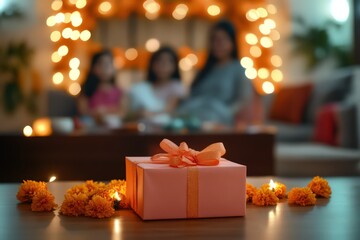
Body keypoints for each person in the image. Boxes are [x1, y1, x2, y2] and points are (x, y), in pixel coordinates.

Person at [177, 20, 252, 126]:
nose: (218, 44)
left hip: (218, 121)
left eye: (223, 40)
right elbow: (191, 96)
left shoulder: (237, 69)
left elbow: (243, 100)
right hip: (192, 119)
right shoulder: (205, 69)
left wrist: (225, 113)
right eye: (214, 40)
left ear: (232, 43)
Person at [128, 46, 186, 121]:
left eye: (169, 62)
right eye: (159, 61)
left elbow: (170, 109)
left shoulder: (176, 87)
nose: (164, 66)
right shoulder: (143, 88)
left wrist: (150, 113)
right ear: (152, 64)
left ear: (174, 66)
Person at [78, 50, 123, 125]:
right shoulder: (87, 89)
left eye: (108, 65)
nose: (104, 69)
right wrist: (97, 113)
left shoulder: (119, 91)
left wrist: (105, 111)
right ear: (93, 67)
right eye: (100, 64)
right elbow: (82, 110)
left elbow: (123, 112)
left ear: (113, 68)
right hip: (91, 126)